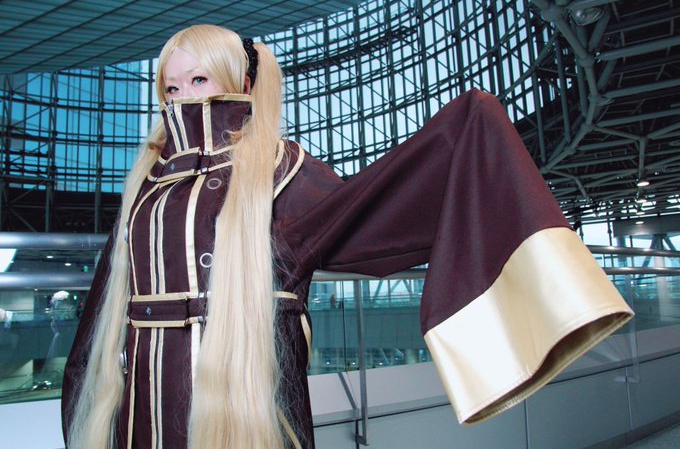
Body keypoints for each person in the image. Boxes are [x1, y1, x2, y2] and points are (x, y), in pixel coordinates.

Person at [62, 24, 633, 449]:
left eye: (198, 79)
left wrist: (462, 136)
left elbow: (362, 216)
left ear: (239, 82)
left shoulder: (279, 166)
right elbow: (102, 307)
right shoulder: (146, 180)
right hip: (141, 402)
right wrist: (81, 406)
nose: (182, 96)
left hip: (246, 400)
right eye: (170, 86)